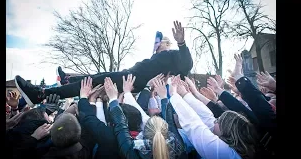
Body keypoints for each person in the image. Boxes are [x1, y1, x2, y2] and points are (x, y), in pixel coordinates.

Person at [14, 20, 193, 107]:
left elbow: (187, 65)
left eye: (161, 45)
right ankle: (67, 80)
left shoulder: (174, 56)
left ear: (167, 45)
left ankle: (40, 94)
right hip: (129, 75)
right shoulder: (158, 58)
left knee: (93, 82)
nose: (157, 48)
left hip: (131, 80)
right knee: (95, 78)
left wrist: (182, 43)